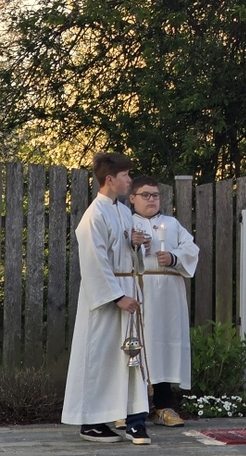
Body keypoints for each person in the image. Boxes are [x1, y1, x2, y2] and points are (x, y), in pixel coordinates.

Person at [61, 152, 152, 444]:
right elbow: (94, 262)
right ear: (110, 179)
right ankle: (91, 421)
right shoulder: (94, 216)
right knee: (100, 358)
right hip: (106, 302)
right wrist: (117, 297)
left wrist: (136, 244)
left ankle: (134, 420)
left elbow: (126, 252)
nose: (130, 180)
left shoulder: (123, 211)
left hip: (127, 290)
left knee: (129, 358)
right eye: (125, 175)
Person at [130, 176, 200, 427]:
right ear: (132, 198)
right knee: (137, 346)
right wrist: (133, 244)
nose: (151, 199)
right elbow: (113, 252)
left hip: (168, 295)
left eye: (155, 195)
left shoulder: (171, 224)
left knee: (165, 346)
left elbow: (191, 249)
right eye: (145, 195)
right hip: (139, 291)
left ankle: (163, 406)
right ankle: (130, 409)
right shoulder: (126, 224)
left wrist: (172, 258)